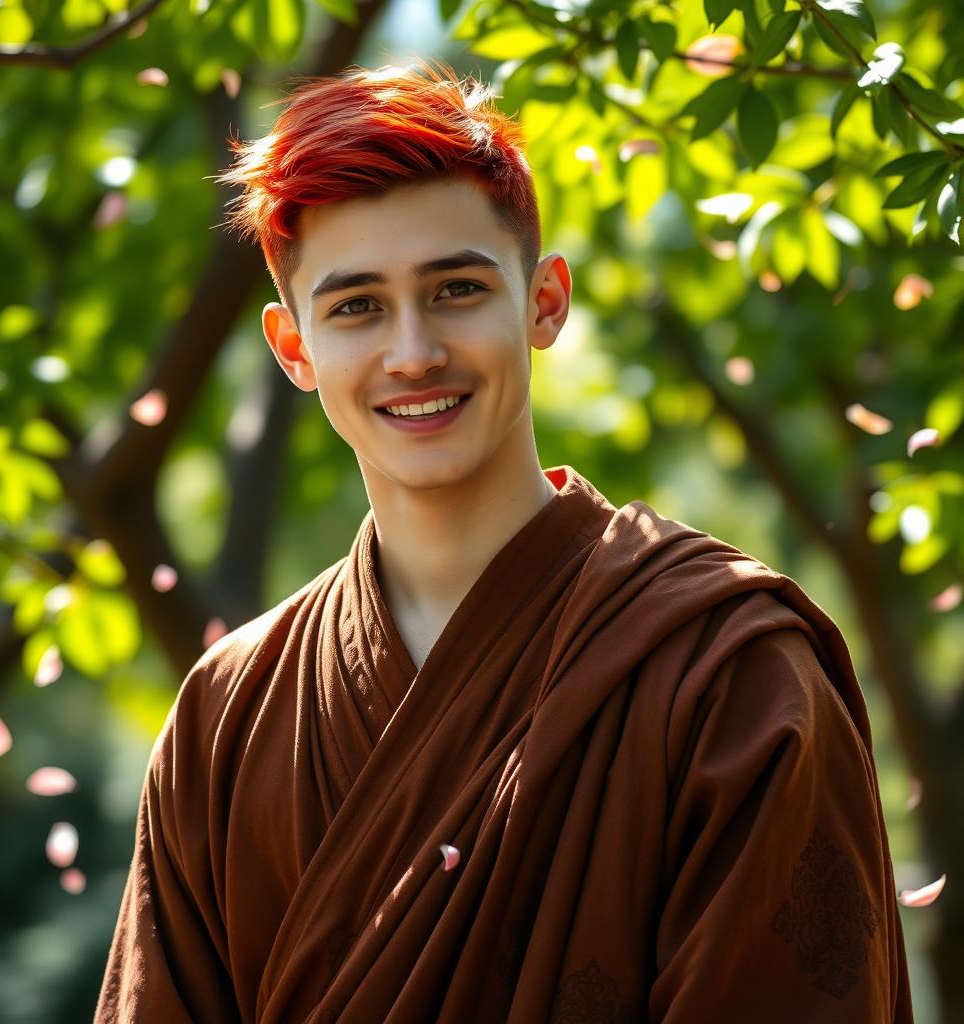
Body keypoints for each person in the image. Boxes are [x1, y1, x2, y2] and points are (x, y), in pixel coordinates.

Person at [94, 61, 913, 1023]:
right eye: (356, 305)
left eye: (455, 289)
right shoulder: (226, 721)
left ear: (544, 302)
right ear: (294, 349)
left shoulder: (727, 673)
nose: (413, 353)